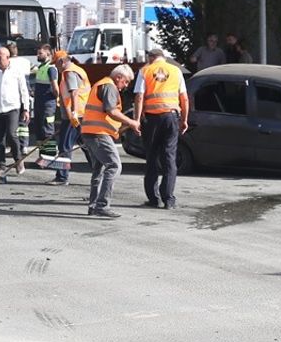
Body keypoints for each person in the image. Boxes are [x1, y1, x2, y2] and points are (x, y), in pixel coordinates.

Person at [80, 65, 141, 218]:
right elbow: (111, 111)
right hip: (98, 134)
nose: (125, 86)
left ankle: (94, 206)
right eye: (125, 82)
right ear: (118, 77)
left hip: (91, 132)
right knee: (114, 166)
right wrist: (132, 122)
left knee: (99, 169)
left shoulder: (102, 84)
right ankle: (102, 205)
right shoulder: (109, 86)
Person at [134, 47, 189, 210]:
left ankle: (153, 198)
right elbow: (184, 98)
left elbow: (139, 97)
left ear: (151, 58)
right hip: (171, 117)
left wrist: (136, 119)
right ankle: (169, 199)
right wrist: (185, 120)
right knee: (169, 158)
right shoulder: (176, 71)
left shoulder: (145, 70)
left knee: (151, 157)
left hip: (151, 119)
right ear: (163, 58)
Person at [0, 46, 29, 178]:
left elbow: (24, 91)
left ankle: (18, 160)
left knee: (12, 135)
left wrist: (26, 109)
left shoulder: (16, 71)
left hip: (12, 108)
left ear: (7, 58)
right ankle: (1, 166)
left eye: (0, 57)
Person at [45, 50, 88, 186]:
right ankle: (100, 168)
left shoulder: (69, 72)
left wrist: (74, 112)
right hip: (80, 113)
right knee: (86, 144)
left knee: (64, 145)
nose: (56, 67)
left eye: (56, 64)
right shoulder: (77, 69)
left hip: (73, 116)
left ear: (61, 61)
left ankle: (62, 177)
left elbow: (74, 92)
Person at [29, 44, 59, 156]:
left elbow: (55, 87)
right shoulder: (41, 67)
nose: (38, 55)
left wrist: (57, 99)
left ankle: (50, 154)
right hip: (39, 103)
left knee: (47, 129)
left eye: (40, 53)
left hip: (48, 105)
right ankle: (43, 154)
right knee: (39, 129)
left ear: (48, 54)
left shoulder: (51, 69)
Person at [6, 41, 32, 155]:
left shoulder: (8, 63)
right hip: (25, 95)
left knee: (13, 124)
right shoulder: (26, 62)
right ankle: (24, 146)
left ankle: (14, 148)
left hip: (12, 96)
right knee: (24, 123)